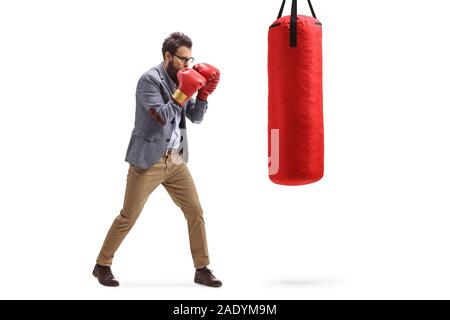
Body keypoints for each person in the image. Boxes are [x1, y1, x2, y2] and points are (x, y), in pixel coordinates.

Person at [92, 32, 222, 287]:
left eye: (189, 59)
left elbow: (195, 117)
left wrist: (204, 94)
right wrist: (184, 90)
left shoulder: (185, 77)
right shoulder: (149, 80)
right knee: (128, 216)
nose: (186, 64)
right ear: (167, 56)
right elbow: (160, 116)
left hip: (175, 160)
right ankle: (102, 265)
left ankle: (202, 268)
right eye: (182, 59)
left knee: (195, 211)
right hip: (148, 161)